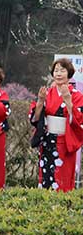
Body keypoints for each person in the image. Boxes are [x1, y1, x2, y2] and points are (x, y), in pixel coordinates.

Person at [30, 58, 83, 192]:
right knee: (46, 178)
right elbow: (36, 118)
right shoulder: (48, 93)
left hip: (65, 143)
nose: (58, 74)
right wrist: (40, 101)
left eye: (62, 70)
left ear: (69, 73)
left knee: (62, 179)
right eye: (56, 70)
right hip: (48, 142)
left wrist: (68, 100)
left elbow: (78, 120)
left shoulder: (77, 95)